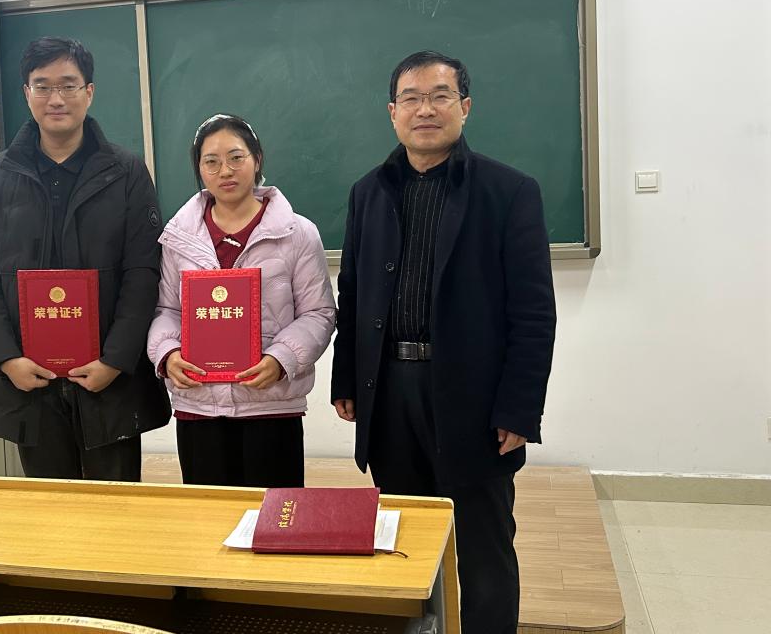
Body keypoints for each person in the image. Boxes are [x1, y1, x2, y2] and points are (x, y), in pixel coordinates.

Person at [330, 51, 556, 633]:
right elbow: (353, 294)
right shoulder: (368, 192)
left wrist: (519, 408)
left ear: (465, 106)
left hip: (473, 398)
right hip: (391, 392)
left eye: (439, 96)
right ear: (392, 112)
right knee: (404, 540)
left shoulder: (509, 191)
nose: (424, 109)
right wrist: (346, 379)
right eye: (411, 98)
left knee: (483, 546)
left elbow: (534, 314)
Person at [0, 36, 170, 481]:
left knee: (116, 510)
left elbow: (143, 272)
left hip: (107, 383)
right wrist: (6, 359)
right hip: (29, 381)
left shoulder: (126, 173)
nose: (56, 98)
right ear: (27, 93)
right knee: (50, 512)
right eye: (43, 86)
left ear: (88, 92)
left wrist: (115, 360)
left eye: (68, 85)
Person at [147, 114, 336, 488]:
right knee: (209, 517)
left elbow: (318, 312)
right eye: (211, 161)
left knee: (274, 515)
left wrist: (281, 359)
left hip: (270, 404)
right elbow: (166, 309)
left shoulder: (297, 233)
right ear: (199, 169)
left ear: (257, 159)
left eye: (236, 157)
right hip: (199, 405)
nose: (225, 171)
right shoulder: (179, 237)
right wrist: (167, 354)